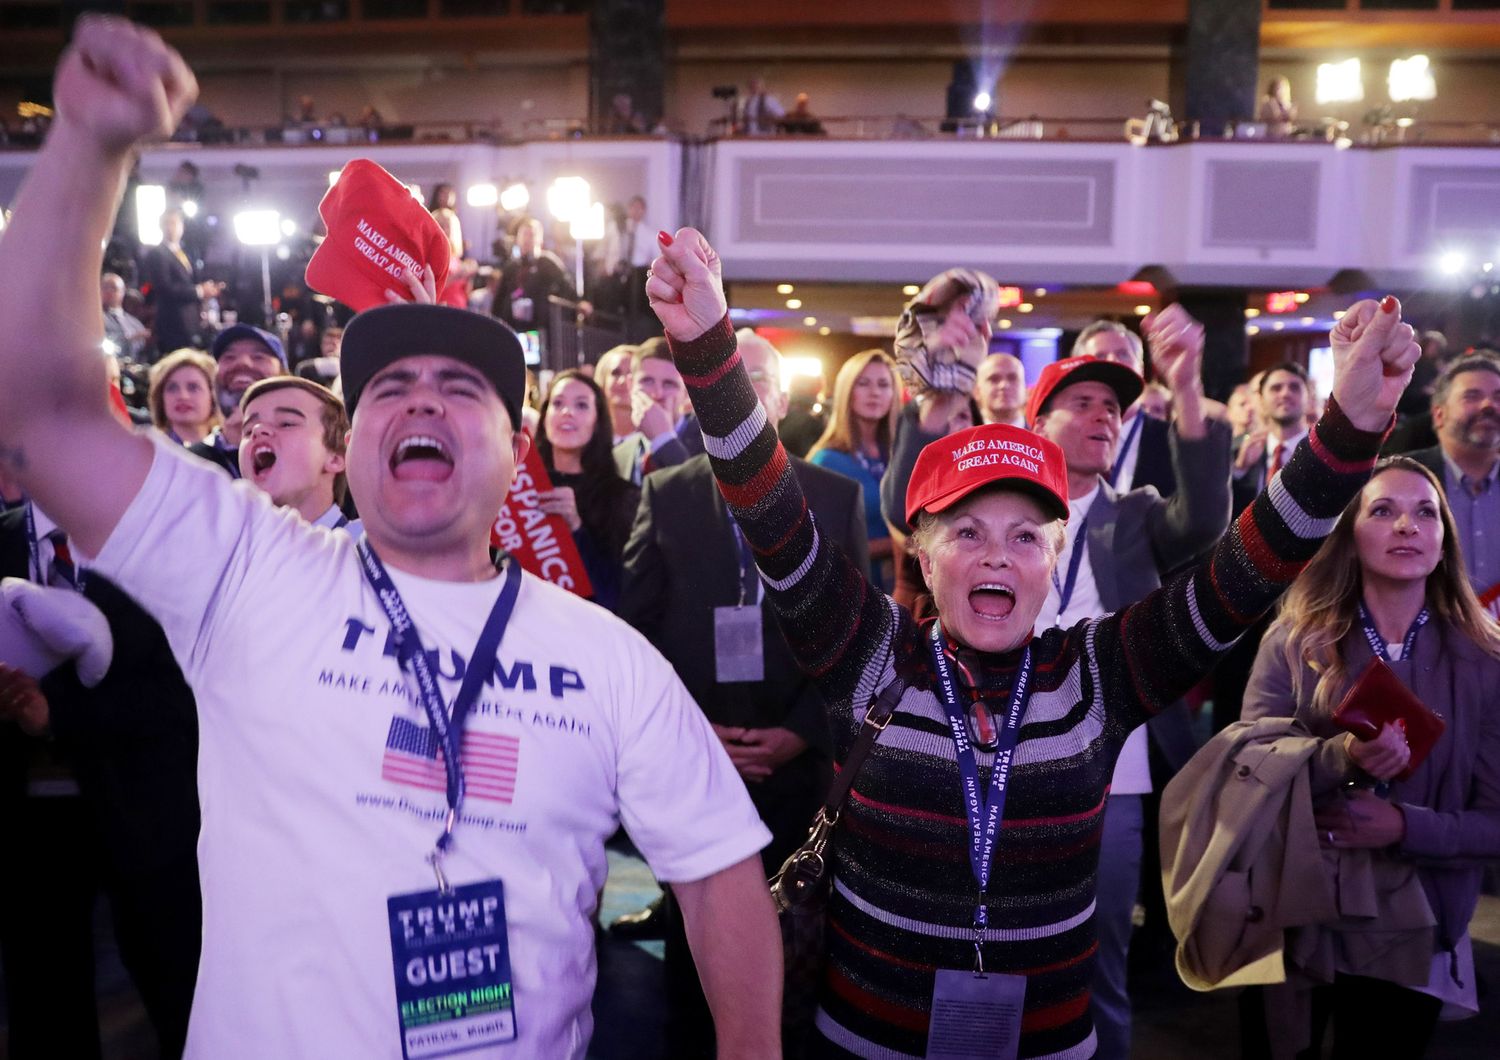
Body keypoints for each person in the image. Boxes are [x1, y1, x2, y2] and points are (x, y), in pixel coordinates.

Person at [0, 19, 779, 1058]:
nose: (423, 401)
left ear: (513, 453)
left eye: (461, 388)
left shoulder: (606, 658)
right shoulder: (247, 569)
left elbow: (720, 868)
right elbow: (39, 409)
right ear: (351, 440)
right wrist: (90, 146)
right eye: (389, 389)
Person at [645, 225, 1417, 1059]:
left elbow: (1249, 567)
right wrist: (708, 347)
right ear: (924, 553)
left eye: (1024, 537)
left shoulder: (1101, 669)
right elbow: (772, 515)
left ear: (1054, 556)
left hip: (1044, 1044)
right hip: (868, 1040)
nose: (995, 557)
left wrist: (1352, 424)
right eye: (967, 531)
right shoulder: (869, 651)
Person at [617, 328, 869, 1054]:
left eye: (755, 379)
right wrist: (693, 733)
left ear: (783, 400)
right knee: (691, 952)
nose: (740, 393)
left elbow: (856, 640)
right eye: (725, 379)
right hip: (695, 762)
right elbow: (640, 635)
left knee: (794, 951)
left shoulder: (835, 496)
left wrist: (801, 731)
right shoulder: (665, 494)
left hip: (796, 771)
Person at [1240, 456, 1500, 1057]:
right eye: (1382, 510)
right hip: (1293, 908)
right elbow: (1246, 766)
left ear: (1443, 540)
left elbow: (1495, 821)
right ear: (1350, 535)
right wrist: (1340, 759)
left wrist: (1405, 826)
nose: (1406, 525)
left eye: (1424, 513)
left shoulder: (1485, 660)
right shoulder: (1292, 640)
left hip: (1419, 922)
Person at [1025, 336, 1232, 1060]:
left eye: (1113, 406)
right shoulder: (1003, 512)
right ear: (1036, 424)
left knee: (1101, 949)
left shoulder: (1137, 513)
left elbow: (1205, 521)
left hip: (1114, 766)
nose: (1103, 416)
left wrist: (1185, 389)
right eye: (1081, 403)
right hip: (1004, 757)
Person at [534, 370, 641, 612]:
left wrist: (574, 528)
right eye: (557, 403)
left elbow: (616, 592)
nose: (567, 412)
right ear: (544, 416)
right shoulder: (519, 484)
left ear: (598, 420)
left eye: (581, 405)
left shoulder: (622, 497)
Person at [1400, 352, 1500, 604]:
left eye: (1498, 397)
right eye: (1472, 396)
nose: (1489, 405)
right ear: (1439, 415)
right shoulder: (1402, 478)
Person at [807, 349, 899, 590]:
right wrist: (896, 545)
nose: (875, 392)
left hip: (903, 591)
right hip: (853, 591)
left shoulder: (899, 455)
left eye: (883, 384)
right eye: (863, 383)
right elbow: (822, 549)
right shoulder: (827, 460)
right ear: (847, 391)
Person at [1072, 319, 1177, 497]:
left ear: (1141, 369)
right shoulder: (1063, 440)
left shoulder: (1172, 441)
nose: (1113, 362)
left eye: (1123, 354)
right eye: (1101, 356)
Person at [237, 376, 352, 530]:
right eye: (248, 430)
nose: (257, 430)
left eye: (286, 423)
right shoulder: (224, 550)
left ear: (336, 459)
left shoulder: (373, 550)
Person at [187, 323, 289, 477]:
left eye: (258, 357)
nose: (242, 363)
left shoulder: (305, 457)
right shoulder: (189, 463)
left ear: (284, 376)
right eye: (229, 357)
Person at [612, 341, 699, 482]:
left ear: (687, 393)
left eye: (669, 384)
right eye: (647, 381)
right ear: (630, 385)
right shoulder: (619, 454)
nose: (657, 394)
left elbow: (704, 500)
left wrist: (664, 440)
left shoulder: (713, 444)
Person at [140, 208, 218, 355]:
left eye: (175, 223)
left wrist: (204, 292)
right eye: (167, 223)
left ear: (182, 226)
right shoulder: (157, 254)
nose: (171, 228)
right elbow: (164, 288)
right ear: (161, 226)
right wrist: (199, 291)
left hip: (193, 320)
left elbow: (190, 281)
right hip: (173, 322)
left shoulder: (185, 252)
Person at [147, 348, 220, 447]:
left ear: (213, 395)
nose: (183, 396)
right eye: (172, 388)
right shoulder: (147, 453)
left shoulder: (232, 452)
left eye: (193, 387)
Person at [593, 343, 638, 443]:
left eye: (632, 373)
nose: (623, 381)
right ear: (602, 380)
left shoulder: (657, 438)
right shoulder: (588, 437)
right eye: (615, 373)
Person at [101, 271, 148, 361]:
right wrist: (129, 339)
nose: (109, 292)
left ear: (122, 292)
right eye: (105, 288)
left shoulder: (135, 323)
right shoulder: (98, 320)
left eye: (113, 288)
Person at [974, 351, 1027, 427]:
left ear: (1025, 389)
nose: (1004, 385)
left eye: (1012, 378)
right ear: (976, 391)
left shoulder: (1042, 437)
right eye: (994, 379)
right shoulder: (962, 437)